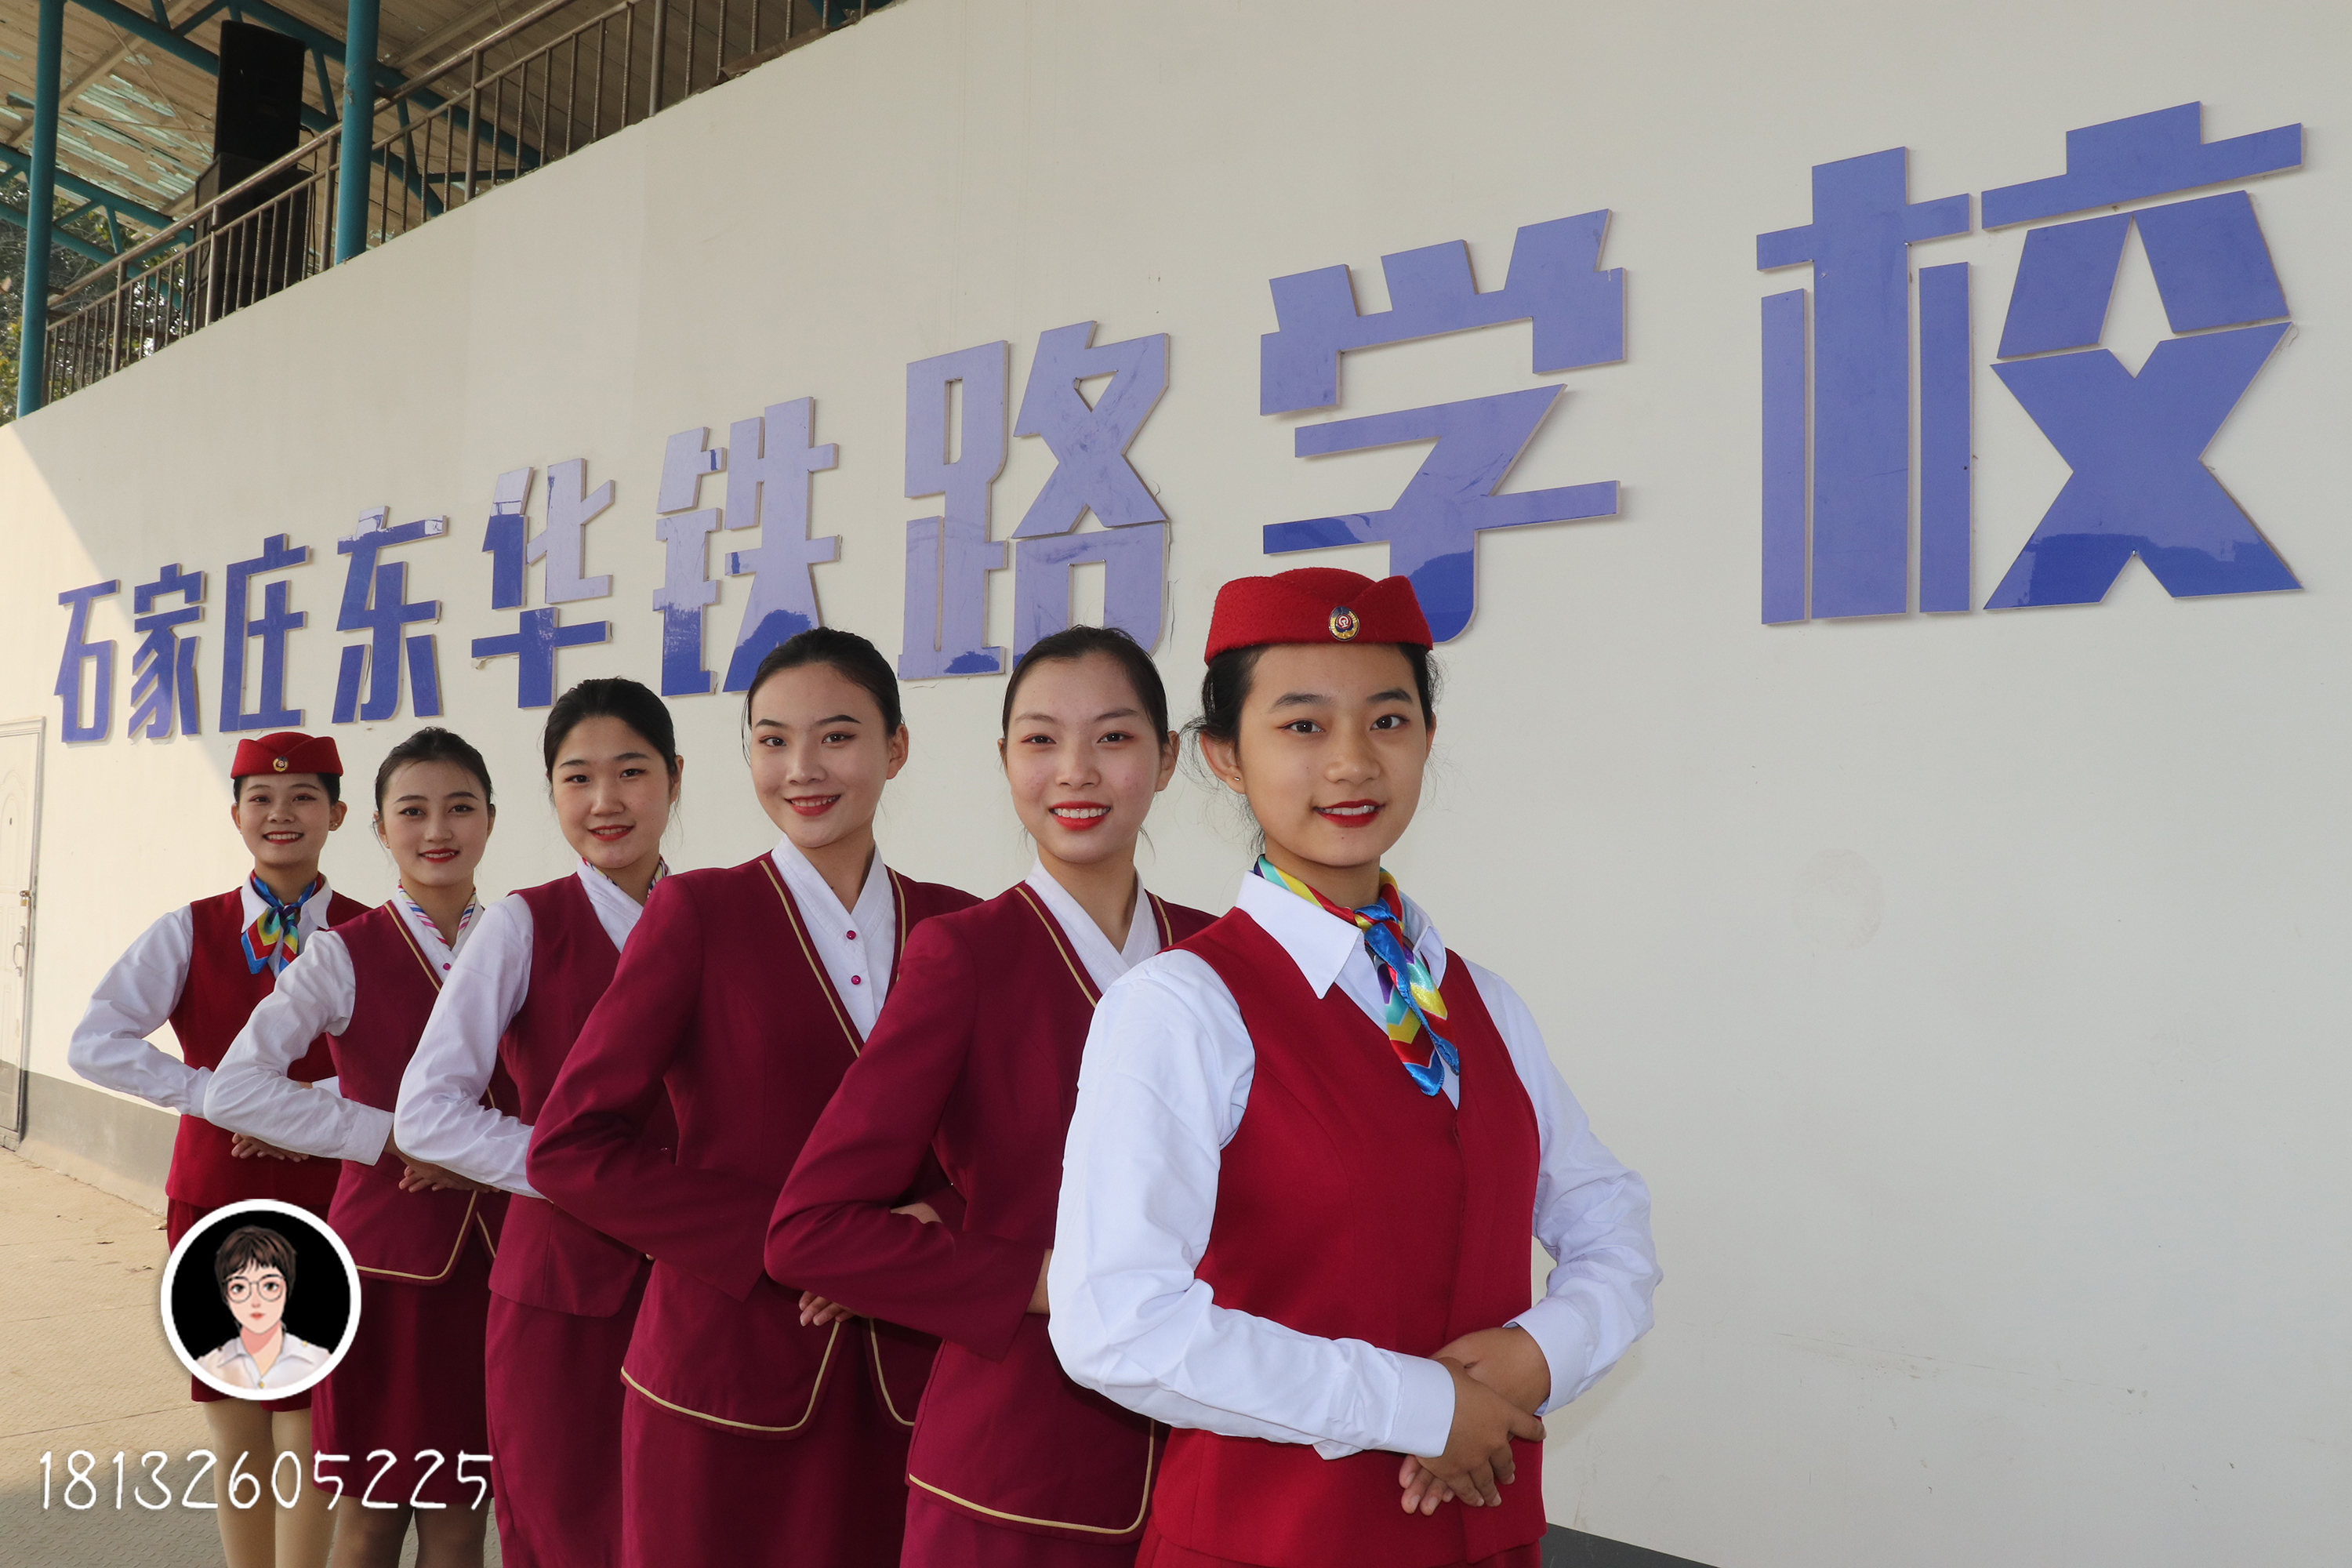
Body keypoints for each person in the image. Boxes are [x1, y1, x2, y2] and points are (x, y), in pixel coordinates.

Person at [1047, 568, 1662, 1568]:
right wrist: (1421, 1406)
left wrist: (1540, 1353)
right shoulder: (1181, 1007)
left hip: (1489, 1543)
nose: (1352, 761)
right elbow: (1116, 1321)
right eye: (1302, 724)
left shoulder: (1481, 999)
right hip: (1269, 1546)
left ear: (1427, 736)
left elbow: (1611, 1219)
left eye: (1388, 719)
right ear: (1224, 755)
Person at [529, 627, 975, 1568]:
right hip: (724, 1370)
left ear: (896, 747)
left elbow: (1009, 1143)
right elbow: (569, 1144)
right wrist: (794, 1240)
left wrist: (932, 1218)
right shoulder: (699, 912)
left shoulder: (959, 924)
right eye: (773, 740)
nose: (802, 767)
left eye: (838, 736)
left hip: (914, 1372)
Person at [771, 625, 1211, 1566]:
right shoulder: (965, 954)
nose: (1076, 771)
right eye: (1042, 739)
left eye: (1115, 737)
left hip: (1213, 1456)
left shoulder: (1219, 957)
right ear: (1006, 758)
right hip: (1013, 1475)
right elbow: (810, 1229)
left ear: (1168, 757)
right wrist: (1045, 1280)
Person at [390, 681, 682, 1568]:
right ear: (551, 791)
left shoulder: (716, 913)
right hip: (562, 1289)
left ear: (674, 777)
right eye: (577, 778)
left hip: (696, 1278)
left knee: (681, 1524)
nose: (605, 801)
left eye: (631, 771)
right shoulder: (524, 923)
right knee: (564, 1528)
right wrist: (568, 1166)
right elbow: (426, 1111)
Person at [207, 727, 506, 1568]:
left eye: (460, 807)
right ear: (378, 827)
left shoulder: (519, 940)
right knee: (371, 1518)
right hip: (385, 1272)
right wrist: (388, 1135)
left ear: (491, 819)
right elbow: (236, 1088)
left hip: (501, 1268)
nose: (437, 829)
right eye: (412, 811)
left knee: (462, 1518)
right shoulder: (343, 952)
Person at [68, 728, 361, 1568]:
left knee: (310, 1418)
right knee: (235, 1414)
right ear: (236, 815)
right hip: (214, 1198)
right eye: (261, 799)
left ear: (337, 814)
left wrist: (303, 1109)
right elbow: (96, 1042)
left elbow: (416, 1066)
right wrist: (213, 1094)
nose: (280, 813)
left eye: (303, 797)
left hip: (333, 1201)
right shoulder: (187, 930)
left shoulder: (373, 933)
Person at [196, 1225, 333, 1393]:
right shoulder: (208, 1365)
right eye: (240, 1288)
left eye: (269, 1286)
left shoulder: (319, 1360)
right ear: (226, 1295)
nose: (255, 1302)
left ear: (287, 1288)